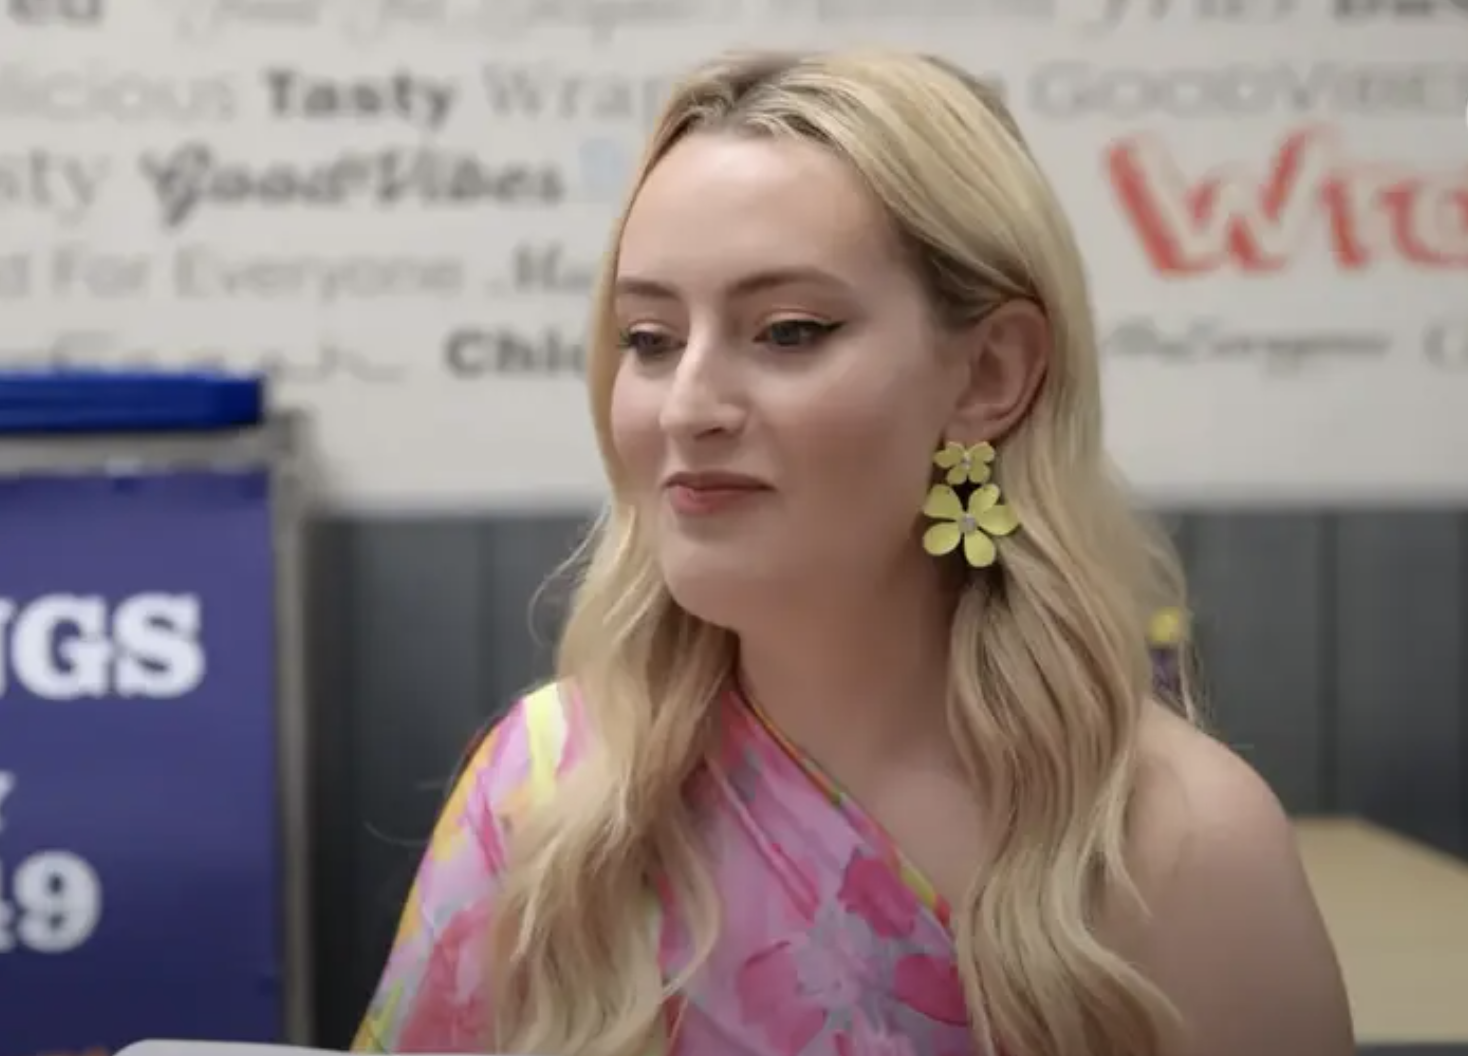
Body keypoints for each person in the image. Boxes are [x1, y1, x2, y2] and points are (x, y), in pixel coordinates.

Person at [351, 49, 1354, 1056]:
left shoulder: (1179, 845)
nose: (688, 406)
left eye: (787, 331)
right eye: (649, 338)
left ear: (990, 374)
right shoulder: (545, 794)